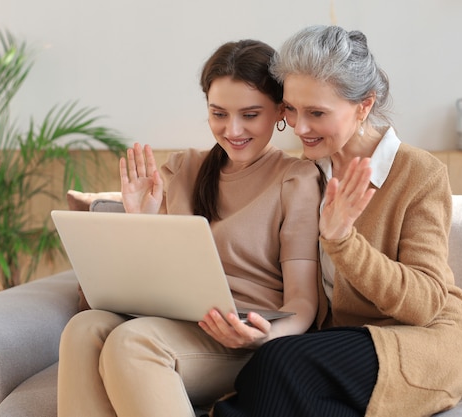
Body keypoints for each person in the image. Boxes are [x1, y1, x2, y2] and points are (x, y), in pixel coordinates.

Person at [210, 25, 462, 417]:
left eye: (317, 113)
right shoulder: (305, 174)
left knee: (279, 364)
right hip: (340, 342)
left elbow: (426, 303)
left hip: (428, 340)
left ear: (363, 106)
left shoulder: (417, 173)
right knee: (268, 388)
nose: (299, 126)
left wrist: (344, 241)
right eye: (291, 109)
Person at [57, 39, 322, 417]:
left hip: (239, 338)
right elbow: (148, 280)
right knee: (84, 329)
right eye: (218, 113)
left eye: (250, 115)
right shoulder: (183, 169)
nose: (232, 129)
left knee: (132, 342)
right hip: (172, 321)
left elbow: (302, 301)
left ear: (280, 111)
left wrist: (263, 339)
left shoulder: (295, 179)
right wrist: (140, 221)